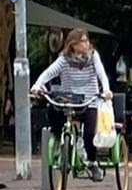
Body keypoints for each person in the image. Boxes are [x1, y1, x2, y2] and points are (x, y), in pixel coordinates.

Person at [32, 30, 112, 181]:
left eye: (87, 41)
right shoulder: (64, 59)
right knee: (52, 110)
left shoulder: (93, 57)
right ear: (74, 45)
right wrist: (37, 85)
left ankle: (92, 162)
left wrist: (106, 90)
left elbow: (101, 74)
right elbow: (49, 73)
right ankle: (59, 138)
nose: (87, 44)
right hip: (68, 100)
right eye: (83, 41)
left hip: (89, 100)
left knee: (89, 134)